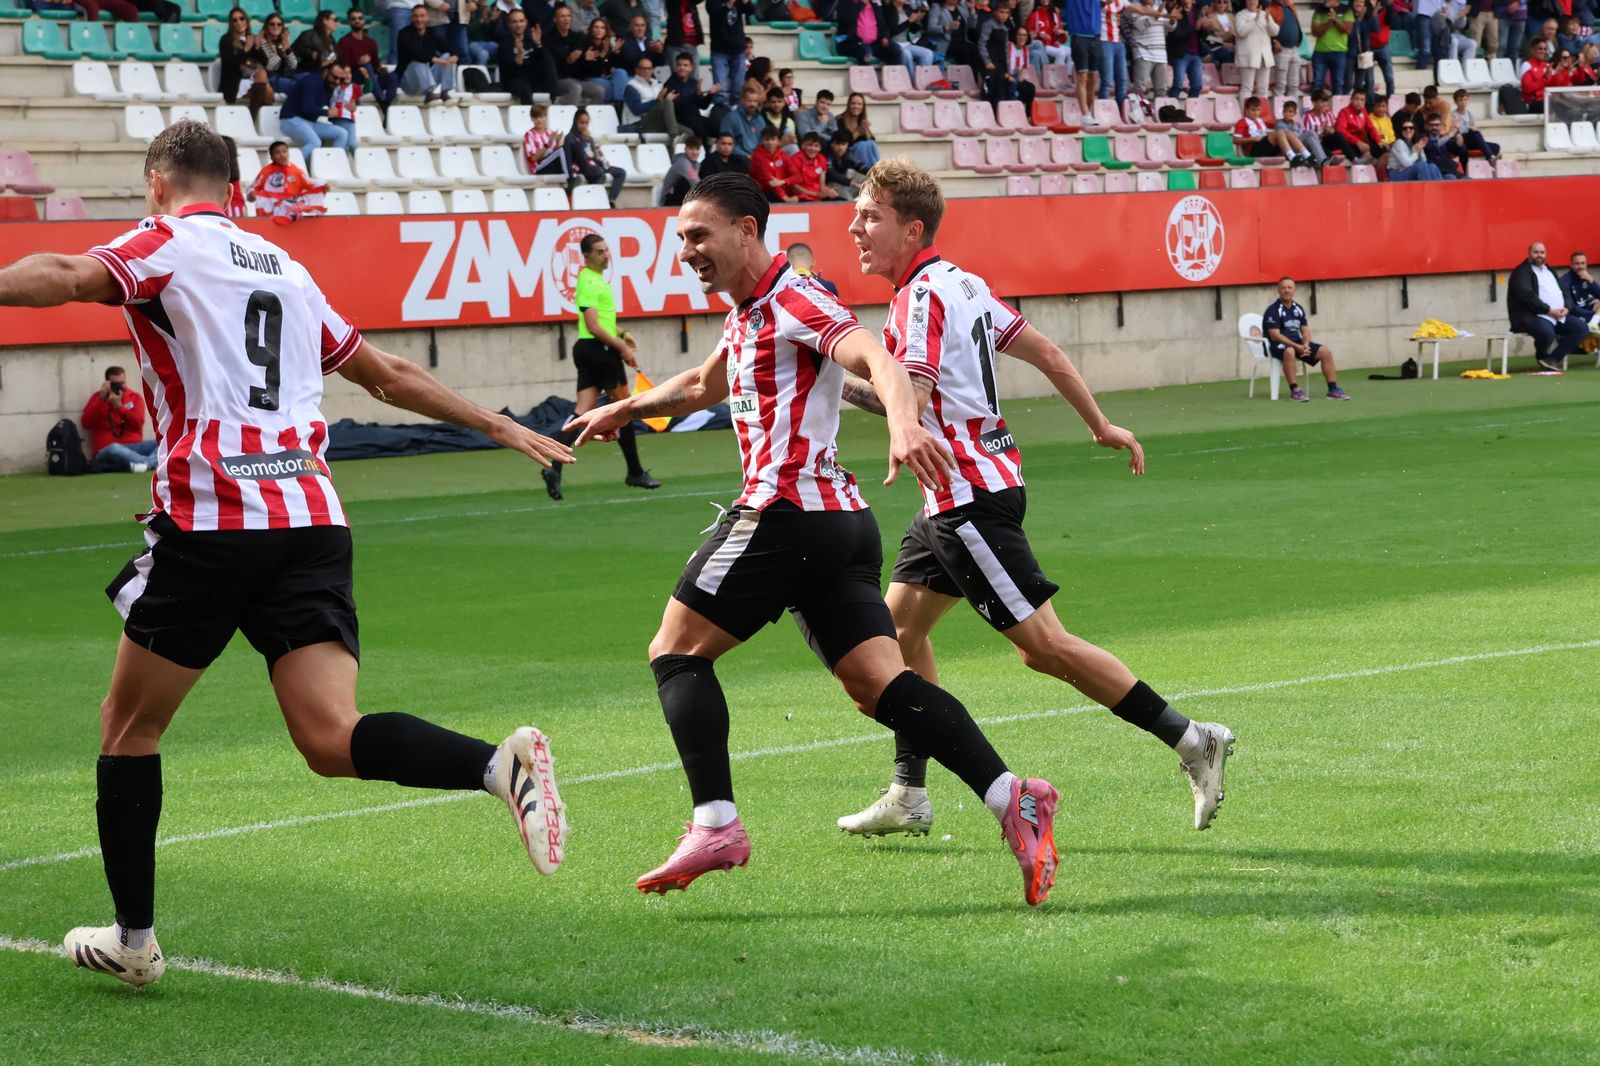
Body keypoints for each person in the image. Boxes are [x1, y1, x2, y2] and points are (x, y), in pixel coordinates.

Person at [0, 120, 571, 989]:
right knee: (329, 736)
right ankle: (496, 767)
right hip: (310, 517)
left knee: (129, 730)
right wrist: (497, 421)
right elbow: (382, 373)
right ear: (234, 188)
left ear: (159, 183)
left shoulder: (162, 244)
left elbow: (69, 275)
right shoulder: (288, 268)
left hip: (217, 520)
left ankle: (134, 939)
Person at [563, 172, 1063, 906]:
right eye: (681, 240)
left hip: (784, 513)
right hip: (835, 526)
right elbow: (702, 386)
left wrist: (902, 420)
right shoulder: (749, 313)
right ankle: (1010, 797)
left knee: (675, 651)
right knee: (881, 687)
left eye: (700, 235)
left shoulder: (797, 296)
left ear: (746, 230)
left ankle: (716, 824)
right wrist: (626, 410)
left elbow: (877, 358)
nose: (688, 252)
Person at [832, 159, 1234, 841]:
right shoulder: (962, 283)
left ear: (912, 227)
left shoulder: (919, 299)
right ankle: (909, 792)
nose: (855, 227)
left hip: (969, 499)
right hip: (958, 497)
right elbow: (1045, 351)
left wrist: (830, 384)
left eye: (870, 215)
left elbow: (914, 402)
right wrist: (1099, 423)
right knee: (897, 638)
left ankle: (1194, 739)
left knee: (1042, 647)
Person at [541, 236, 660, 499]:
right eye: (599, 252)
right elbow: (594, 325)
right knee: (625, 408)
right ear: (586, 256)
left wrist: (622, 332)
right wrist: (621, 347)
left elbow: (602, 321)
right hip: (599, 351)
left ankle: (553, 465)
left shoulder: (594, 280)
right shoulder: (588, 281)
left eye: (606, 250)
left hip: (590, 350)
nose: (606, 255)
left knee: (581, 412)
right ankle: (635, 471)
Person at [1264, 277, 1350, 401]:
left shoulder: (1298, 308)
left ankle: (1333, 390)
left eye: (1289, 287)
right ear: (1278, 290)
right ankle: (1295, 390)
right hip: (1277, 344)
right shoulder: (1273, 310)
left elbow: (1305, 330)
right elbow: (1275, 335)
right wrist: (1297, 347)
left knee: (1325, 351)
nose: (1286, 290)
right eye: (1283, 288)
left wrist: (1306, 344)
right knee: (1290, 351)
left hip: (1297, 343)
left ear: (1294, 290)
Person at [1508, 242, 1588, 371]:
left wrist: (1567, 308)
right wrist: (1549, 311)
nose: (1539, 255)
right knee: (1546, 333)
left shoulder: (1550, 271)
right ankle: (1542, 355)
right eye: (1536, 252)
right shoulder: (1521, 272)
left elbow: (1564, 292)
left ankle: (1552, 359)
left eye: (1542, 252)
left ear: (1545, 254)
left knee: (1581, 328)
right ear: (1529, 253)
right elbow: (1527, 297)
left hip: (1558, 315)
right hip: (1534, 315)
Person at [82, 366, 158, 474]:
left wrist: (119, 407)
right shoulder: (98, 398)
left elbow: (138, 423)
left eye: (123, 383)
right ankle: (148, 463)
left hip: (134, 447)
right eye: (116, 384)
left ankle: (144, 464)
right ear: (107, 383)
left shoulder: (135, 397)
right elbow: (85, 423)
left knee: (161, 441)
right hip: (107, 450)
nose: (121, 387)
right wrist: (101, 399)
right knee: (114, 448)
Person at [279, 62, 357, 159]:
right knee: (315, 142)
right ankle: (292, 167)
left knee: (342, 133)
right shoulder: (313, 81)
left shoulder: (329, 86)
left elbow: (338, 102)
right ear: (326, 72)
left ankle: (334, 167)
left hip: (310, 123)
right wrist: (326, 113)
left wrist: (351, 106)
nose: (337, 82)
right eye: (335, 77)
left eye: (340, 79)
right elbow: (307, 107)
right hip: (291, 120)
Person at [247, 140, 329, 223]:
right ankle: (265, 223)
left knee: (317, 192)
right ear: (272, 157)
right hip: (273, 204)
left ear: (288, 153)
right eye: (277, 153)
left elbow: (310, 184)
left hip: (292, 203)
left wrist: (323, 186)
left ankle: (293, 212)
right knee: (261, 198)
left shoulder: (296, 171)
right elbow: (254, 187)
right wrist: (251, 194)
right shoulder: (266, 171)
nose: (282, 154)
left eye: (284, 151)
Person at [338, 7, 399, 110]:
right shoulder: (344, 42)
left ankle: (387, 103)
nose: (357, 21)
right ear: (349, 22)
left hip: (371, 77)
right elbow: (343, 66)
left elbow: (376, 65)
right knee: (366, 65)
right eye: (353, 19)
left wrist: (380, 69)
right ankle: (381, 101)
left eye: (360, 18)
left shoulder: (370, 42)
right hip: (354, 77)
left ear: (364, 20)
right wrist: (359, 63)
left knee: (392, 76)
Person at [397, 2, 459, 102]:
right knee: (419, 61)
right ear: (412, 18)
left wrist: (455, 56)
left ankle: (445, 92)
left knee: (448, 56)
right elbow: (415, 53)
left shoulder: (431, 33)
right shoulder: (404, 34)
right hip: (409, 83)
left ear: (427, 18)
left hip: (426, 79)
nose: (419, 19)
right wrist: (437, 60)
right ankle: (429, 94)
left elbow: (448, 46)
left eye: (422, 16)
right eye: (416, 16)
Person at [498, 8, 562, 104]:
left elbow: (547, 61)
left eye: (521, 21)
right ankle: (531, 114)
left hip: (532, 79)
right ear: (509, 24)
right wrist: (519, 54)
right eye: (514, 22)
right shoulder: (504, 44)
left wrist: (538, 44)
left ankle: (554, 100)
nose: (519, 25)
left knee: (548, 62)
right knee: (522, 86)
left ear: (526, 22)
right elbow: (511, 73)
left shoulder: (531, 38)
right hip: (514, 81)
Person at [564, 107, 626, 203]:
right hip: (581, 166)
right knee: (597, 172)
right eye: (581, 122)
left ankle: (611, 200)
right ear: (575, 122)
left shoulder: (590, 139)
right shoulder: (570, 138)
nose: (584, 126)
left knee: (621, 172)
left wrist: (603, 163)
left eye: (586, 123)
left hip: (594, 165)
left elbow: (593, 157)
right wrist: (570, 179)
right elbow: (568, 159)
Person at [218, 9, 272, 113]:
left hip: (254, 81)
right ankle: (252, 119)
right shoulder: (226, 40)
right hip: (235, 84)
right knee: (267, 91)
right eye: (235, 20)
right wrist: (245, 50)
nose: (239, 22)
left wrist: (257, 47)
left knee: (265, 84)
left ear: (246, 20)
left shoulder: (253, 38)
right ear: (231, 23)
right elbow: (229, 65)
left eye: (241, 19)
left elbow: (266, 63)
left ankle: (252, 119)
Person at [622, 56, 687, 137]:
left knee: (688, 132)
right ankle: (674, 137)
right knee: (666, 103)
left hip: (658, 122)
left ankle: (673, 147)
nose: (646, 71)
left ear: (652, 70)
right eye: (643, 68)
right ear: (637, 70)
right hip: (639, 124)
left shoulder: (657, 84)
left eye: (649, 69)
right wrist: (658, 101)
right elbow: (637, 109)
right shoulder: (631, 86)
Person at [1235, 94, 1312, 160]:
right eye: (1253, 110)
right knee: (1279, 132)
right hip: (1255, 149)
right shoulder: (1242, 121)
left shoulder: (1260, 120)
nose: (1255, 113)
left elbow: (1277, 123)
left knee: (1288, 132)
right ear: (1246, 110)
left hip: (1267, 147)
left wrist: (1289, 119)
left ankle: (1307, 155)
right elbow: (1235, 140)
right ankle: (1292, 157)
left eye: (1257, 110)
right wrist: (1253, 138)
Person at [1233, 0, 1278, 97]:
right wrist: (1255, 19)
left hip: (1264, 56)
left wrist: (1268, 20)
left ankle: (1262, 112)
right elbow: (1241, 32)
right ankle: (1244, 112)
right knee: (1247, 87)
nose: (1252, 1)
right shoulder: (1240, 15)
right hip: (1249, 57)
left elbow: (1275, 32)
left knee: (1263, 89)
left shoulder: (1264, 14)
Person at [708, 0, 753, 100]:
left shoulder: (739, 2)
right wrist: (728, 4)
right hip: (719, 50)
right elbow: (716, 18)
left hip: (738, 50)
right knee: (721, 90)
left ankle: (736, 111)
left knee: (738, 89)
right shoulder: (712, 2)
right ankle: (720, 112)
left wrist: (746, 2)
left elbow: (752, 11)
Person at [784, 130, 843, 201]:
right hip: (801, 197)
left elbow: (822, 185)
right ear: (803, 145)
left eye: (816, 146)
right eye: (809, 145)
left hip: (818, 196)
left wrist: (828, 191)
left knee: (841, 201)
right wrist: (816, 194)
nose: (813, 149)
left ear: (820, 148)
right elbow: (794, 188)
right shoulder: (795, 160)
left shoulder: (822, 159)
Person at [1066, 0, 1103, 113]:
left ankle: (1089, 110)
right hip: (1079, 36)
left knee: (1093, 78)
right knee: (1082, 76)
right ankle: (1085, 113)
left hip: (1095, 37)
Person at [1311, 0, 1354, 92]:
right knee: (1317, 83)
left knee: (1338, 84)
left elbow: (1347, 30)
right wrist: (1328, 23)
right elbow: (1315, 32)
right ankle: (1316, 105)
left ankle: (1337, 106)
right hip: (1320, 52)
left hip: (1339, 53)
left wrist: (1335, 20)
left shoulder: (1346, 10)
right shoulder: (1319, 9)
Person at [1165, 0, 1203, 100]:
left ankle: (1191, 111)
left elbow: (1202, 34)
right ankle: (1171, 111)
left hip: (1196, 53)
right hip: (1181, 54)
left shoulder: (1198, 12)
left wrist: (1205, 28)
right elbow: (1176, 35)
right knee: (1178, 84)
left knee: (1197, 86)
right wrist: (1194, 28)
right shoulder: (1177, 10)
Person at [1386, 115, 1443, 179]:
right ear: (1401, 131)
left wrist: (1420, 150)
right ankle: (1428, 188)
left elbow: (1424, 161)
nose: (1408, 130)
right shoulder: (1398, 143)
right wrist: (1416, 151)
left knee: (1432, 166)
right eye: (1405, 128)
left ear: (1414, 130)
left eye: (1411, 128)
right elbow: (1407, 164)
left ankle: (1439, 188)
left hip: (1408, 171)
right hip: (1396, 174)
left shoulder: (1414, 142)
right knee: (1420, 166)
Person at [1334, 88, 1382, 162]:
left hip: (1361, 144)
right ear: (1351, 99)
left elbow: (1371, 128)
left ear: (1365, 102)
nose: (1359, 102)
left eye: (1362, 100)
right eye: (1356, 99)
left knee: (1382, 148)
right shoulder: (1344, 112)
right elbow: (1340, 130)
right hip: (1348, 144)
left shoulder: (1364, 111)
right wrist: (1357, 142)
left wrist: (1378, 141)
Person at [1268, 0, 1305, 94]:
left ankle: (1293, 106)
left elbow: (1296, 24)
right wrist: (1274, 41)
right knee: (1281, 84)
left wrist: (1299, 38)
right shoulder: (1270, 9)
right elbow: (1267, 29)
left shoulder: (1290, 7)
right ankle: (1278, 107)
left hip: (1294, 49)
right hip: (1281, 50)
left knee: (1294, 84)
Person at [521, 102, 568, 175]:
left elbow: (554, 155)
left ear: (546, 117)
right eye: (536, 117)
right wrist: (547, 146)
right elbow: (533, 158)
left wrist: (558, 142)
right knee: (562, 150)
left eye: (541, 117)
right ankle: (570, 178)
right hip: (539, 167)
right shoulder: (529, 135)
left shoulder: (549, 133)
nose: (539, 120)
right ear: (532, 118)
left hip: (551, 165)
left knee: (568, 147)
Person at [838, 91, 882, 168]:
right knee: (862, 145)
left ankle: (876, 169)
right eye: (853, 103)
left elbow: (872, 143)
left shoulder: (862, 121)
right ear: (848, 105)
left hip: (864, 157)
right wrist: (859, 131)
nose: (856, 106)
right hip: (848, 156)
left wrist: (866, 129)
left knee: (870, 144)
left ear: (863, 107)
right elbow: (844, 143)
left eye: (859, 104)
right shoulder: (840, 120)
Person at [749, 125, 793, 202]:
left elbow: (797, 176)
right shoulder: (757, 156)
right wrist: (786, 198)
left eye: (773, 139)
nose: (770, 142)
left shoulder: (782, 155)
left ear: (778, 141)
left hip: (780, 191)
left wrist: (784, 181)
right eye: (767, 139)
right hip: (762, 193)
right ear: (762, 141)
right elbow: (771, 182)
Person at [720, 84, 766, 155]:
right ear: (743, 101)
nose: (752, 104)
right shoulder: (730, 118)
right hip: (738, 158)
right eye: (749, 101)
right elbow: (726, 143)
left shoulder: (760, 120)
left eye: (755, 101)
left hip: (757, 157)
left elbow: (764, 142)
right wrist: (745, 156)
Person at [260, 13, 300, 93]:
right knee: (298, 86)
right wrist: (281, 52)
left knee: (307, 80)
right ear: (266, 26)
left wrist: (287, 47)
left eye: (279, 24)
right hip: (270, 77)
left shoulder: (282, 44)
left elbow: (293, 65)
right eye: (272, 24)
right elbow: (269, 66)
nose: (276, 27)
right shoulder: (261, 43)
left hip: (285, 76)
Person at [1277, 98, 1327, 162]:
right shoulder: (1280, 123)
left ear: (1294, 113)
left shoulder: (1296, 124)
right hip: (1290, 147)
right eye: (1285, 111)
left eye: (1290, 112)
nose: (1287, 114)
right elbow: (1291, 137)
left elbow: (1301, 135)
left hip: (1300, 147)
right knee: (1311, 132)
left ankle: (1322, 160)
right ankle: (1322, 152)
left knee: (1310, 139)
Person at [659, 136, 702, 205]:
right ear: (685, 149)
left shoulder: (697, 164)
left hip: (681, 200)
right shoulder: (682, 163)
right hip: (668, 201)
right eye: (691, 149)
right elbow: (694, 182)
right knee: (686, 183)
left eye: (697, 149)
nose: (694, 152)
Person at [1561, 251, 1600, 326]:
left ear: (1586, 264)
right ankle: (1594, 323)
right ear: (1571, 265)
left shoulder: (1586, 276)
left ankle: (1594, 322)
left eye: (1583, 263)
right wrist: (1593, 314)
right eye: (1577, 263)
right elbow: (1571, 307)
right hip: (1575, 313)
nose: (1580, 266)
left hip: (1588, 308)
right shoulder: (1565, 281)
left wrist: (1591, 280)